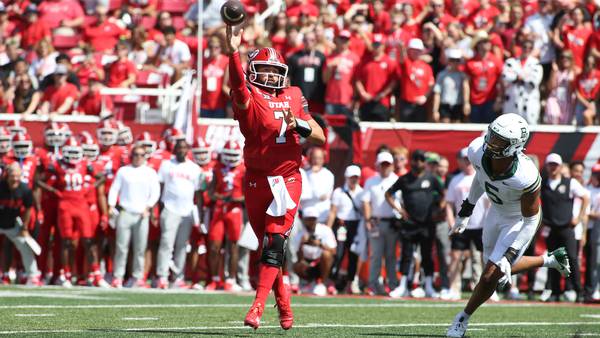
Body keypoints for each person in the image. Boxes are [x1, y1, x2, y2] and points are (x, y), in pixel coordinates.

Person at [225, 24, 325, 330]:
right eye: (263, 70)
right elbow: (239, 85)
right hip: (256, 180)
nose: (269, 76)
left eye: (274, 70)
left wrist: (300, 125)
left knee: (274, 245)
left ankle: (256, 308)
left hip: (288, 178)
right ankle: (285, 307)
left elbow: (319, 135)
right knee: (265, 248)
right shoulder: (250, 95)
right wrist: (232, 52)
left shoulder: (294, 94)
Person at [447, 114, 571, 337]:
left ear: (514, 146)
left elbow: (531, 219)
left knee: (490, 275)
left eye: (498, 141)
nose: (490, 142)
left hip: (519, 220)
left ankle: (462, 318)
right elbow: (480, 176)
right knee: (492, 266)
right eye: (492, 135)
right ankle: (550, 260)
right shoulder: (476, 150)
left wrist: (509, 255)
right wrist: (466, 212)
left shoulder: (525, 175)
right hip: (496, 212)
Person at [386, 149, 445, 298]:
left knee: (427, 255)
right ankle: (403, 286)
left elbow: (445, 194)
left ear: (424, 162)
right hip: (409, 223)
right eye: (415, 159)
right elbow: (388, 194)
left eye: (421, 160)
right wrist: (399, 210)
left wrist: (438, 210)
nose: (418, 162)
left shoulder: (431, 178)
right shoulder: (404, 179)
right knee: (406, 255)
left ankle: (429, 286)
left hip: (427, 223)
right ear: (411, 161)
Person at [108, 145, 160, 288]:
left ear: (145, 156)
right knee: (121, 247)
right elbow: (115, 188)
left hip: (141, 214)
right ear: (131, 156)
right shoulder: (124, 171)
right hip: (125, 211)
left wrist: (148, 206)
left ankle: (137, 276)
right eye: (136, 154)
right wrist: (111, 205)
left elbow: (155, 192)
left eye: (141, 155)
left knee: (140, 248)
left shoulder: (150, 172)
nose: (138, 157)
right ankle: (118, 276)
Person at [541, 153, 589, 302]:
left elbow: (586, 197)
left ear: (561, 167)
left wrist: (579, 218)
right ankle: (555, 292)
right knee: (554, 260)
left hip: (567, 227)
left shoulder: (570, 183)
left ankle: (578, 291)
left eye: (556, 165)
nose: (553, 167)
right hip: (551, 228)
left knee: (573, 260)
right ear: (547, 166)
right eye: (550, 164)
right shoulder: (542, 183)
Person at [156, 139, 202, 289]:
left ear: (188, 149)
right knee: (166, 244)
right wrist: (158, 209)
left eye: (184, 147)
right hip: (169, 208)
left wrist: (199, 216)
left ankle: (178, 277)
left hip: (187, 211)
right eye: (179, 147)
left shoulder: (195, 168)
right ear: (174, 149)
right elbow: (160, 187)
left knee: (182, 246)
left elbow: (198, 193)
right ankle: (162, 276)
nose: (181, 150)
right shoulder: (166, 165)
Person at [445, 148, 489, 300]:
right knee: (456, 257)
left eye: (469, 159)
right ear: (460, 161)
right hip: (461, 225)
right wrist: (452, 223)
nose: (467, 162)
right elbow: (449, 204)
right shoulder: (455, 180)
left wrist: (488, 223)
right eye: (464, 159)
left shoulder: (481, 178)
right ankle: (453, 288)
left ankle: (486, 290)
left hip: (480, 226)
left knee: (484, 258)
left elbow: (489, 202)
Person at [206, 140, 246, 291]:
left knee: (233, 246)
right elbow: (210, 191)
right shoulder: (217, 168)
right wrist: (219, 197)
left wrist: (235, 199)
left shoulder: (243, 169)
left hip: (235, 210)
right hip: (219, 209)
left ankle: (231, 279)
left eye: (232, 155)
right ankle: (215, 279)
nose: (230, 158)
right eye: (227, 154)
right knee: (214, 246)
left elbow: (247, 194)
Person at [362, 152, 399, 295]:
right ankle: (373, 284)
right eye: (382, 165)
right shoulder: (371, 181)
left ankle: (393, 285)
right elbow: (366, 202)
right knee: (376, 255)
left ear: (392, 166)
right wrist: (368, 220)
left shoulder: (397, 180)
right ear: (377, 166)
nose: (385, 168)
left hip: (392, 222)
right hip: (376, 222)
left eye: (387, 165)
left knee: (391, 255)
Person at [0, 163, 41, 286]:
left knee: (25, 245)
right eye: (13, 175)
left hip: (12, 224)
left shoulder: (25, 189)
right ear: (7, 176)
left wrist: (24, 227)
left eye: (18, 176)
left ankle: (33, 275)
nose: (15, 179)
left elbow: (28, 208)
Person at [326, 165, 363, 293]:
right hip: (341, 225)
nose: (354, 180)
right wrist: (328, 230)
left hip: (356, 226)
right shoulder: (339, 192)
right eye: (352, 177)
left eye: (356, 178)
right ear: (347, 177)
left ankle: (351, 282)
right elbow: (333, 212)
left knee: (354, 254)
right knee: (339, 253)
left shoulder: (361, 192)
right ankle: (331, 281)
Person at [292, 207, 337, 296]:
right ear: (304, 220)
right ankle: (306, 283)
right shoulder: (300, 233)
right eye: (308, 219)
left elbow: (334, 251)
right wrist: (302, 244)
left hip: (322, 263)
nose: (311, 221)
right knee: (297, 265)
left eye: (313, 219)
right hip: (307, 263)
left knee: (326, 254)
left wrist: (319, 244)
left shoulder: (325, 230)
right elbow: (297, 257)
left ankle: (322, 283)